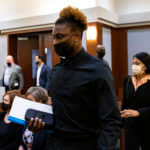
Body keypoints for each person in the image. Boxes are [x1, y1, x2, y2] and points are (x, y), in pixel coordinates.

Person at [28, 6, 122, 150]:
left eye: (60, 37)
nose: (54, 43)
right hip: (55, 145)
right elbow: (59, 114)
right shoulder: (56, 70)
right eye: (53, 37)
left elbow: (112, 122)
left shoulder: (98, 70)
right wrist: (41, 124)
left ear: (77, 36)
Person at [121, 52, 150, 150]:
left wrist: (139, 112)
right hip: (130, 125)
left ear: (146, 66)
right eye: (133, 63)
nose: (134, 66)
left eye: (137, 64)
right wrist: (121, 124)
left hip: (147, 125)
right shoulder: (128, 80)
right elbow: (125, 103)